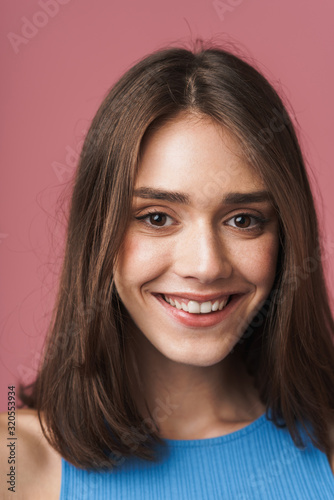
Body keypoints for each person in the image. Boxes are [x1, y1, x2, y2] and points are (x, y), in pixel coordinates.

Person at [1, 39, 334, 499]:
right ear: (98, 232)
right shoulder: (14, 462)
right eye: (156, 217)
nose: (206, 265)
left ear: (285, 237)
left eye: (243, 220)